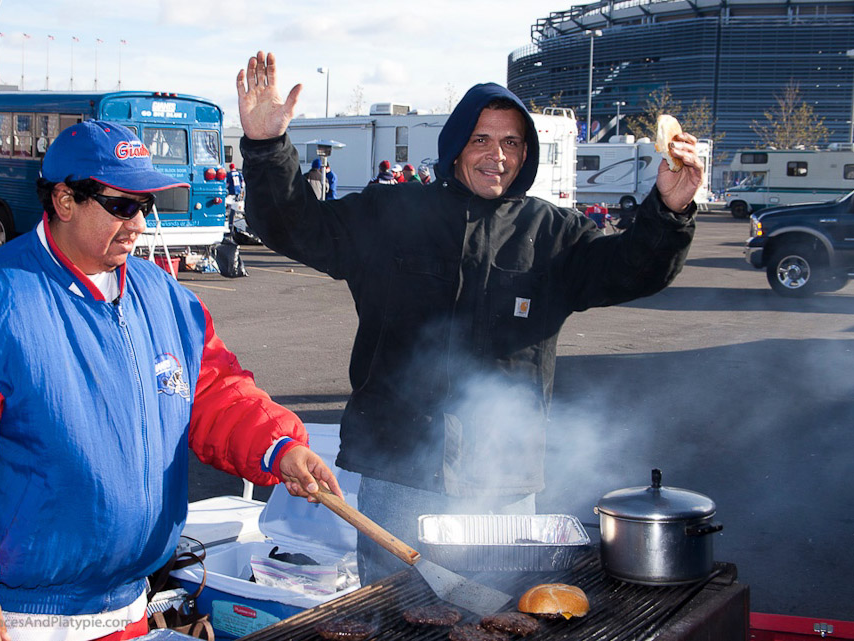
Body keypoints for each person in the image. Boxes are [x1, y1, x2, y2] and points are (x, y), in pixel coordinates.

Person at [236, 50, 701, 586]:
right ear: (455, 146)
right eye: (481, 139)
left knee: (497, 615)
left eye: (510, 142)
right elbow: (295, 225)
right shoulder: (392, 214)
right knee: (394, 618)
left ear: (525, 153)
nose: (495, 155)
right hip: (399, 473)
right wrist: (269, 149)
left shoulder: (551, 233)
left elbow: (633, 268)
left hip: (503, 480)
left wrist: (669, 214)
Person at [0, 120, 342, 641]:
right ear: (65, 199)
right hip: (23, 618)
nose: (138, 223)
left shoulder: (165, 296)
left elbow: (212, 392)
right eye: (121, 205)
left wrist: (278, 446)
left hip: (129, 610)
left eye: (146, 204)